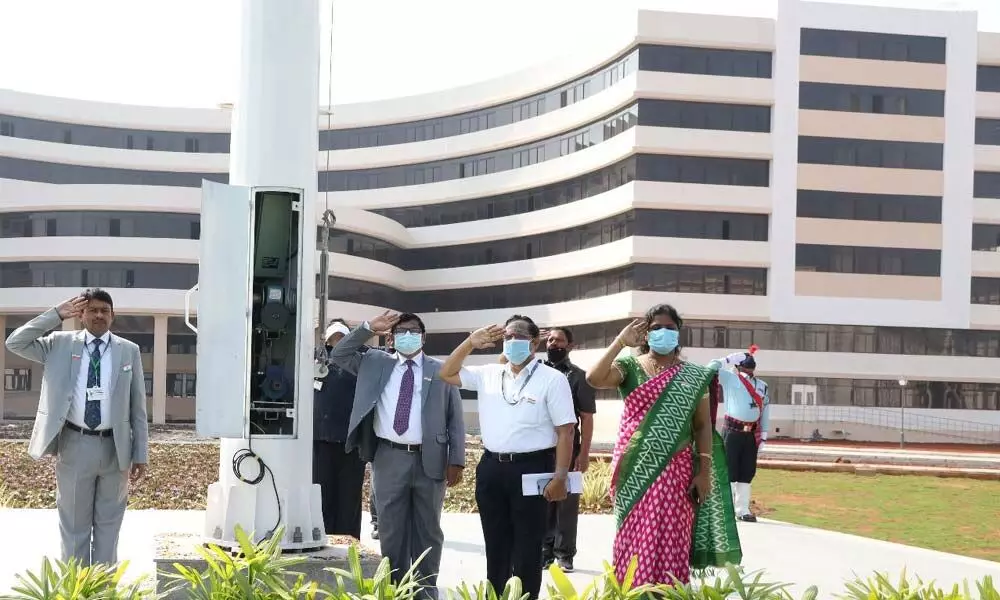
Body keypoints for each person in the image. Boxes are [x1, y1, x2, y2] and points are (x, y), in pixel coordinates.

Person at [585, 304, 743, 586]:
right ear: (645, 334)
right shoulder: (629, 367)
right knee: (632, 536)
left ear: (679, 333)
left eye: (670, 328)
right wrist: (620, 342)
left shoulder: (693, 376)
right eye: (656, 327)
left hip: (677, 471)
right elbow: (594, 378)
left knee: (672, 536)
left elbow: (703, 425)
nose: (663, 332)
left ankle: (668, 592)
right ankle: (630, 590)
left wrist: (704, 471)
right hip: (634, 469)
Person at [5, 289, 148, 566]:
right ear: (81, 314)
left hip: (116, 449)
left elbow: (138, 407)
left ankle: (103, 591)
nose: (98, 315)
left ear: (112, 316)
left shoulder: (128, 351)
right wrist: (56, 314)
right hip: (75, 444)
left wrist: (140, 452)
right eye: (92, 309)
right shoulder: (59, 344)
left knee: (109, 527)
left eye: (104, 311)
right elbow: (15, 342)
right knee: (73, 527)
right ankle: (77, 590)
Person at [329, 311, 465, 599]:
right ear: (390, 337)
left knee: (428, 530)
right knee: (391, 529)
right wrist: (367, 328)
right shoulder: (375, 362)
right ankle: (396, 589)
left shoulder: (441, 370)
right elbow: (339, 354)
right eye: (401, 331)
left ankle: (425, 589)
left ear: (423, 336)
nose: (407, 336)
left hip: (431, 458)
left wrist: (457, 460)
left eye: (413, 331)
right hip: (389, 457)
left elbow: (455, 417)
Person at [439, 315, 576, 600]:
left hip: (532, 468)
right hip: (491, 468)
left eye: (520, 337)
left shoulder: (553, 379)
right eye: (508, 338)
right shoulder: (489, 372)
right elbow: (447, 373)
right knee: (496, 545)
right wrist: (469, 343)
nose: (513, 343)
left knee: (528, 548)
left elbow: (566, 431)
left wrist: (560, 476)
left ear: (534, 342)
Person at [540, 327, 595, 573]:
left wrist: (584, 454)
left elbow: (587, 418)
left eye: (559, 340)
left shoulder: (579, 377)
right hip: (540, 448)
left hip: (570, 447)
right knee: (542, 499)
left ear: (570, 345)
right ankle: (544, 551)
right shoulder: (537, 372)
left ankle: (564, 554)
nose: (553, 344)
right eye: (550, 339)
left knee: (567, 502)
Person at [313, 318, 366, 538]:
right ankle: (322, 536)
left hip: (351, 442)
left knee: (349, 497)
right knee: (322, 495)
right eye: (334, 338)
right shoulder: (315, 362)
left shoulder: (361, 362)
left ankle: (349, 541)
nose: (337, 342)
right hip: (321, 440)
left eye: (342, 338)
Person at [719, 354, 771, 522]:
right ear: (738, 366)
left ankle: (742, 510)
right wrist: (728, 359)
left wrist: (763, 436)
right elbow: (710, 367)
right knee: (729, 471)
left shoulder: (762, 386)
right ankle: (726, 509)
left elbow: (765, 409)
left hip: (750, 434)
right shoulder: (729, 378)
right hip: (732, 432)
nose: (749, 368)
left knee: (747, 472)